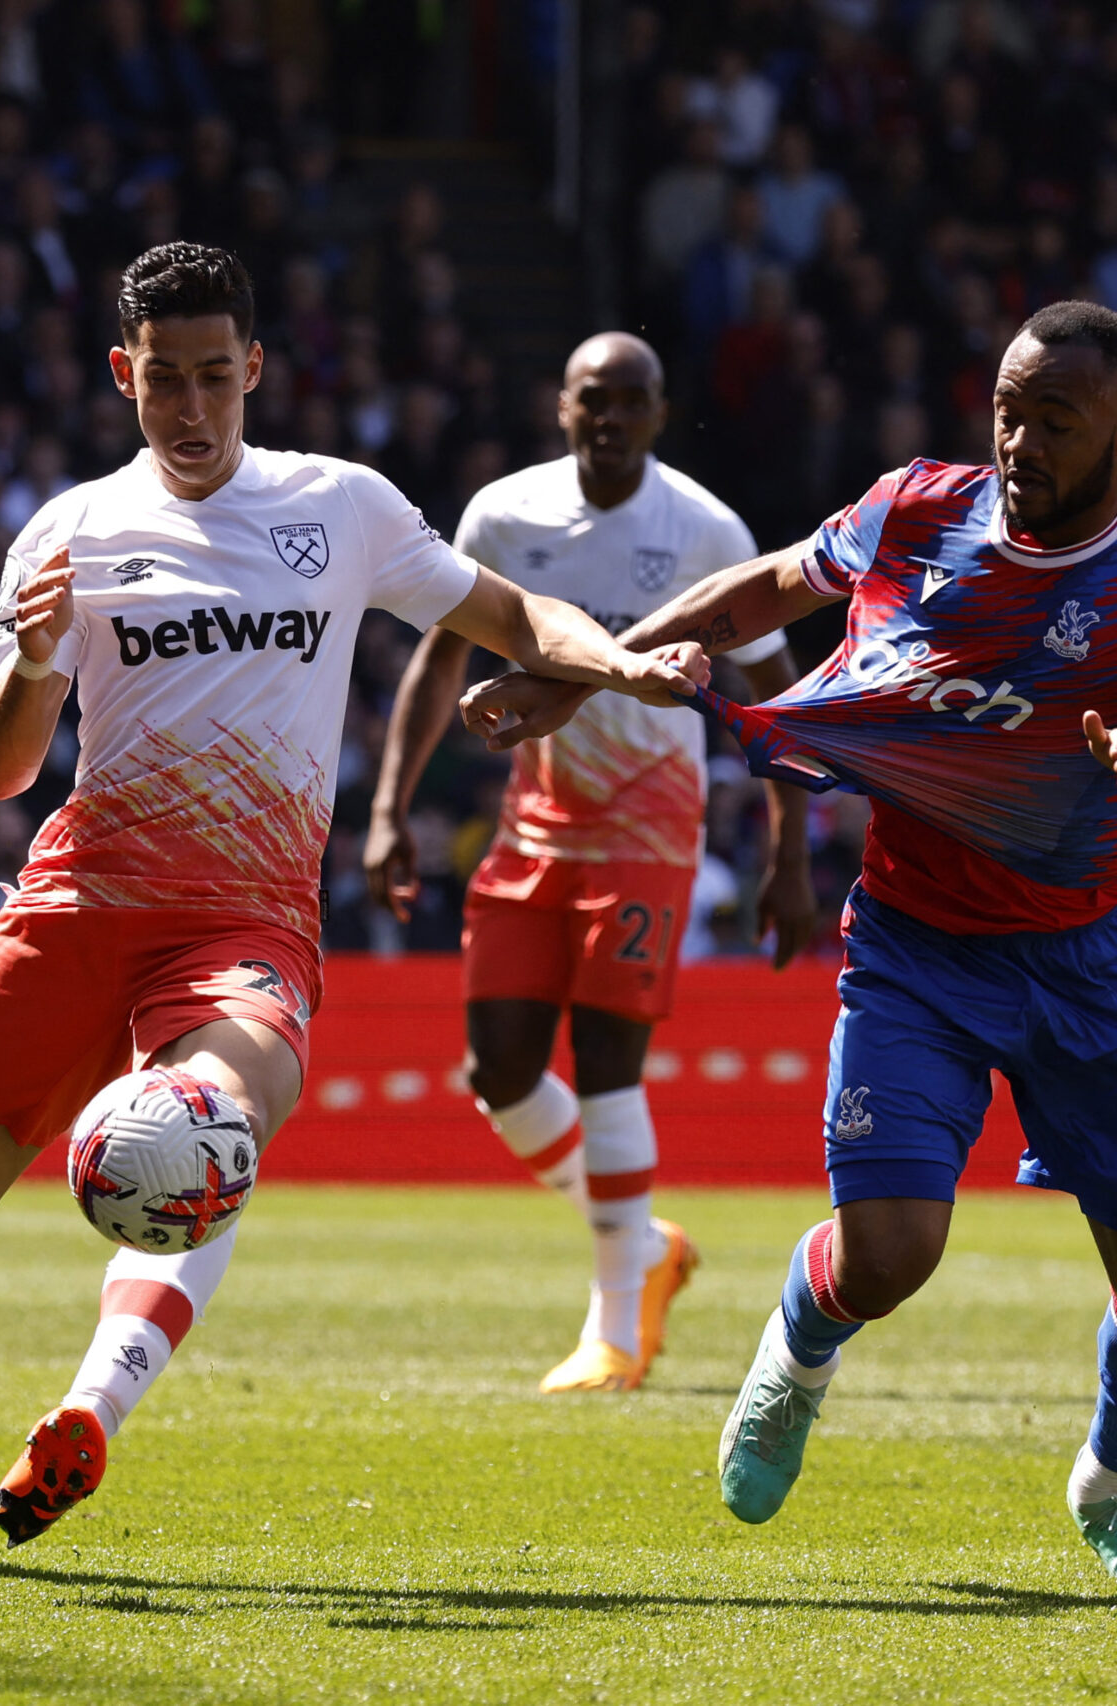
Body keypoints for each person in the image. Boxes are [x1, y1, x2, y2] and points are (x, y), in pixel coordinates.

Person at [0, 243, 707, 1567]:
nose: (194, 409)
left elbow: (512, 613)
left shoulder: (340, 510)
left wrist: (619, 664)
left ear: (256, 368)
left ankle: (91, 1408)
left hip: (242, 926)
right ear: (123, 375)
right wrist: (35, 663)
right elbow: (1, 768)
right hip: (76, 905)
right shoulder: (69, 533)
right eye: (166, 382)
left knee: (211, 1125)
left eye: (218, 377)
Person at [462, 301, 1117, 1584]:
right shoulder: (918, 509)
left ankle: (1110, 1488)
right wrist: (584, 675)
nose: (1016, 440)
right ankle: (791, 1363)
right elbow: (760, 593)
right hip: (914, 944)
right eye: (1006, 407)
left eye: (1052, 421)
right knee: (891, 1250)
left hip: (1080, 959)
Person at [365, 331, 815, 1394]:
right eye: (588, 400)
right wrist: (387, 807)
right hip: (536, 816)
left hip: (652, 821)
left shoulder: (706, 528)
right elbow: (440, 660)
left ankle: (617, 1325)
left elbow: (776, 694)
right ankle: (644, 1242)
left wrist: (790, 856)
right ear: (559, 407)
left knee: (608, 1064)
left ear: (659, 414)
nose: (607, 418)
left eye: (629, 402)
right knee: (501, 1072)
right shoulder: (504, 516)